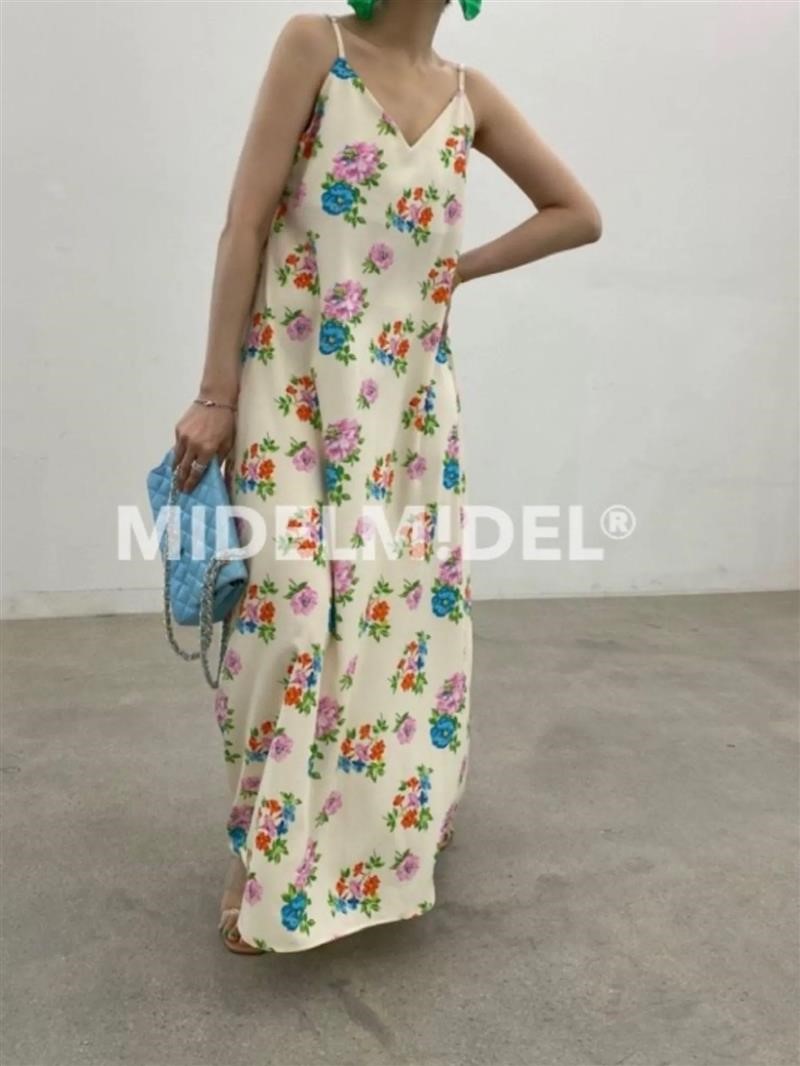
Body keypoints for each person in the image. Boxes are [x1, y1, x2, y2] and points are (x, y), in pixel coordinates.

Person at [172, 0, 601, 955]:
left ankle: (381, 833)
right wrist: (215, 393)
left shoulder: (471, 95)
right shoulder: (314, 46)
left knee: (395, 619)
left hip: (408, 406)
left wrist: (453, 272)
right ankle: (263, 849)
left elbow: (578, 215)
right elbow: (245, 225)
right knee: (289, 613)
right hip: (290, 380)